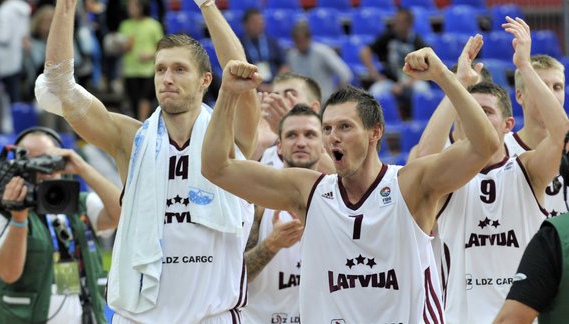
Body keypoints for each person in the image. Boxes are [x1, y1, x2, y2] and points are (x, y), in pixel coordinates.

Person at [202, 43, 501, 322]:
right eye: (328, 128)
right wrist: (227, 94)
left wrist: (445, 77)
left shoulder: (410, 184)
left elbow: (484, 145)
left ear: (375, 132)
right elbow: (216, 168)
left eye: (345, 126)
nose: (333, 135)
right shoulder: (309, 191)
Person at [34, 0, 261, 321]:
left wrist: (208, 5)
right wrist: (66, 7)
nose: (167, 78)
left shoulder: (228, 139)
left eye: (179, 69)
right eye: (160, 69)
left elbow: (242, 74)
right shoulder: (131, 139)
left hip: (210, 315)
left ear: (206, 80)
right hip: (140, 317)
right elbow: (59, 86)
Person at [411, 18, 569, 323]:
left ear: (508, 125)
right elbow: (424, 155)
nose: (476, 119)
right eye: (469, 112)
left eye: (485, 112)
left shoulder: (525, 169)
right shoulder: (447, 181)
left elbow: (560, 133)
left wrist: (524, 65)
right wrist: (456, 84)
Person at [0, 126, 121, 324]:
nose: (43, 171)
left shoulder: (79, 204)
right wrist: (19, 217)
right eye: (31, 163)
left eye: (48, 160)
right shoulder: (5, 215)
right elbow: (9, 274)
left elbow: (121, 215)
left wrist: (81, 167)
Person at [244, 104, 325, 323]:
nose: (301, 142)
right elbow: (233, 277)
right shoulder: (256, 203)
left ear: (323, 145)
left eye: (310, 135)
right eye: (291, 135)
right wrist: (272, 244)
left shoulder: (340, 203)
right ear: (279, 146)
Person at [506, 54, 567, 216]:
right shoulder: (500, 149)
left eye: (557, 87)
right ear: (520, 96)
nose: (550, 95)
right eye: (541, 86)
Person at [359, 7, 429, 119]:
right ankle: (378, 122)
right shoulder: (388, 36)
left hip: (412, 81)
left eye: (398, 21)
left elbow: (426, 69)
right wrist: (375, 75)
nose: (394, 23)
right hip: (390, 82)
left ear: (409, 23)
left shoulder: (418, 42)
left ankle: (420, 122)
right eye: (395, 20)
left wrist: (406, 83)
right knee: (375, 91)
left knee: (423, 91)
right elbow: (365, 51)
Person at [254, 72, 321, 162]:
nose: (279, 100)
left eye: (291, 94)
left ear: (313, 108)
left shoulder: (331, 141)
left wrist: (287, 126)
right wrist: (258, 142)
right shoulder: (264, 139)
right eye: (276, 95)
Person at [118, 0, 164, 121]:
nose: (130, 9)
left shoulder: (153, 25)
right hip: (130, 69)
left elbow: (161, 47)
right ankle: (138, 124)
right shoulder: (125, 25)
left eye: (133, 6)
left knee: (145, 98)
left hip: (148, 69)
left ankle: (143, 124)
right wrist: (125, 46)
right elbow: (121, 46)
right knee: (134, 100)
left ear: (142, 7)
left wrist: (149, 55)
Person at [286, 21, 352, 103]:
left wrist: (338, 93)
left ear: (309, 39)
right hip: (302, 102)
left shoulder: (323, 52)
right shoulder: (292, 55)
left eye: (302, 41)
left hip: (324, 101)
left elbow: (345, 73)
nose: (300, 45)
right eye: (297, 42)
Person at [240, 8, 286, 91]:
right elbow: (239, 73)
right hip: (252, 88)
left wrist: (277, 83)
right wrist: (258, 86)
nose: (259, 24)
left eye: (261, 22)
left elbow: (284, 65)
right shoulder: (240, 45)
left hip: (275, 86)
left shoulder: (272, 41)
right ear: (245, 24)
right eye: (254, 22)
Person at [0, 0, 30, 103]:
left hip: (4, 60)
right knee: (16, 95)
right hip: (17, 58)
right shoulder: (23, 10)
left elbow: (3, 37)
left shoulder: (4, 11)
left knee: (7, 98)